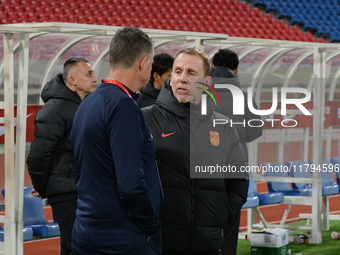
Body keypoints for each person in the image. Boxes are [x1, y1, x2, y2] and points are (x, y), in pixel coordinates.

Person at [142, 48, 249, 255]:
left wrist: (222, 214)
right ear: (171, 77)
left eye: (191, 73)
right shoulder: (145, 120)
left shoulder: (223, 126)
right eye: (178, 71)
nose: (183, 78)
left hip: (207, 243)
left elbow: (239, 178)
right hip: (160, 242)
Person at [70, 27, 162, 255]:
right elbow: (131, 183)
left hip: (87, 230)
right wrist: (151, 224)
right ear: (143, 63)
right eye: (151, 64)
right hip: (122, 237)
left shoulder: (88, 103)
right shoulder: (123, 105)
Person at [26, 57, 97, 255]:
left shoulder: (80, 106)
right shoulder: (55, 108)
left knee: (70, 248)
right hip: (67, 192)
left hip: (79, 189)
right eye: (89, 74)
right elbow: (38, 155)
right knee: (80, 246)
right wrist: (42, 187)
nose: (95, 79)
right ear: (72, 80)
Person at [210, 49, 263, 255]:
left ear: (212, 67)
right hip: (234, 167)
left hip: (203, 166)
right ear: (236, 71)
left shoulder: (200, 94)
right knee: (230, 226)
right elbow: (255, 131)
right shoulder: (245, 98)